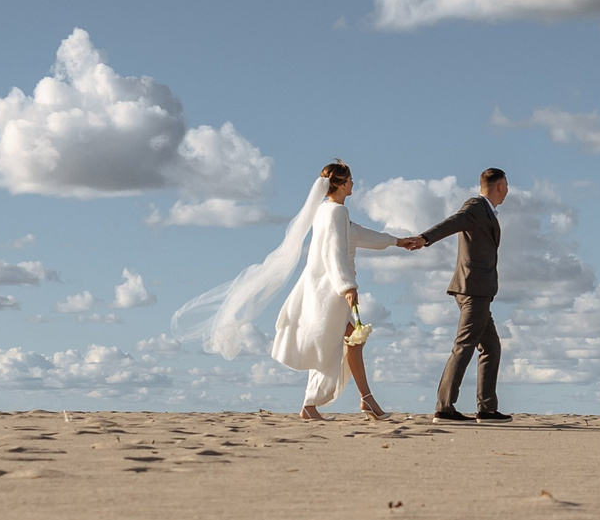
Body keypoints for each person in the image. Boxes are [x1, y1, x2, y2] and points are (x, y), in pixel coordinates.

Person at [171, 161, 408, 420]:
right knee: (338, 344)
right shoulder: (335, 213)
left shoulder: (330, 211)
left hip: (324, 288)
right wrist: (347, 286)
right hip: (330, 290)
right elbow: (333, 252)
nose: (353, 184)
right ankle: (345, 401)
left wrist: (396, 241)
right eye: (350, 180)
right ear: (340, 185)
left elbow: (357, 235)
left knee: (347, 342)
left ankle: (341, 402)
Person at [400, 167, 509, 423]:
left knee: (491, 347)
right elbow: (452, 223)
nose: (507, 191)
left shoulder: (487, 212)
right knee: (464, 346)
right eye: (506, 186)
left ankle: (487, 409)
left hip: (480, 288)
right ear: (500, 186)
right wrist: (425, 238)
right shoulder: (475, 207)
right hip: (472, 288)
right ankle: (445, 407)